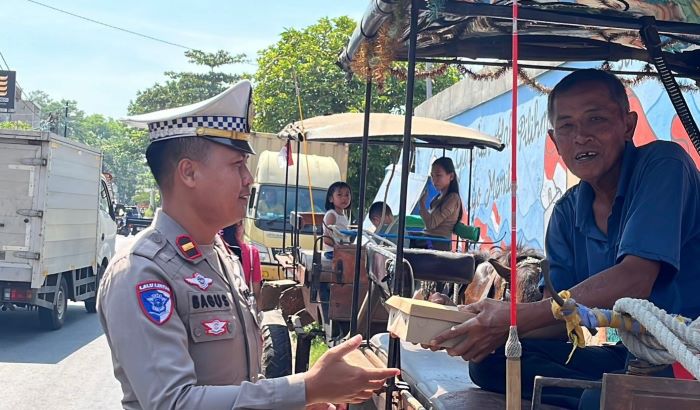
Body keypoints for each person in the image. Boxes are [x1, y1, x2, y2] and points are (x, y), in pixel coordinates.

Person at [97, 80, 399, 410]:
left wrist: (296, 403)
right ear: (189, 173)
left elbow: (237, 384)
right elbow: (175, 403)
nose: (248, 178)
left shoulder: (220, 256)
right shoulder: (142, 271)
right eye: (237, 164)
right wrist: (304, 389)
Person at [424, 69, 700, 409]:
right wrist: (471, 321)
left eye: (596, 119)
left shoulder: (664, 164)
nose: (581, 137)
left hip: (689, 362)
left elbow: (636, 278)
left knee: (596, 400)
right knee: (490, 362)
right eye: (567, 126)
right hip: (632, 358)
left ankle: (600, 398)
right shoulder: (567, 212)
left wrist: (514, 318)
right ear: (555, 141)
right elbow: (556, 321)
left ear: (628, 125)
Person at [416, 157, 463, 251]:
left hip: (438, 243)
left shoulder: (452, 198)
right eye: (432, 176)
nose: (434, 180)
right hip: (428, 239)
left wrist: (421, 203)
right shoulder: (437, 197)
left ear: (451, 176)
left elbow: (431, 224)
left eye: (438, 175)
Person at [222, 221, 262, 304]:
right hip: (244, 305)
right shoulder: (252, 252)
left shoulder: (215, 252)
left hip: (223, 304)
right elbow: (256, 290)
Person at [322, 181, 352, 260]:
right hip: (333, 252)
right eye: (339, 195)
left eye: (347, 195)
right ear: (331, 199)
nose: (344, 198)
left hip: (341, 250)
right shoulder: (332, 215)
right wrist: (340, 247)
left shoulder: (343, 215)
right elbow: (327, 239)